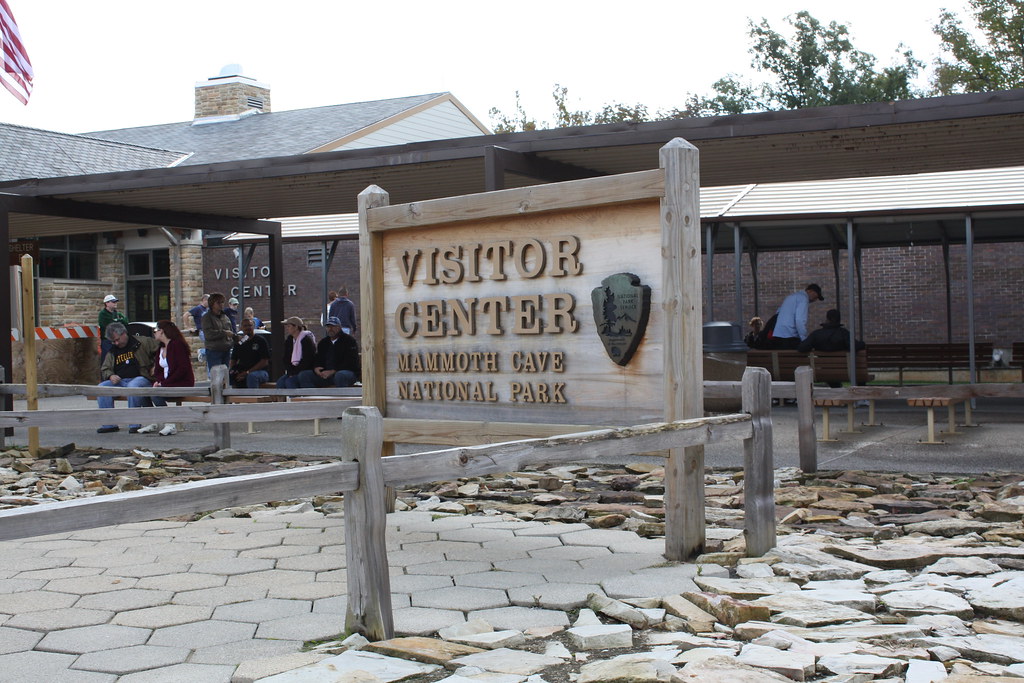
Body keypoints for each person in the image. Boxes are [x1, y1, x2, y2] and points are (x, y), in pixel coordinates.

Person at [96, 322, 161, 434]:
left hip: (142, 378)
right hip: (120, 381)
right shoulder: (112, 350)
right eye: (113, 341)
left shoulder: (142, 342)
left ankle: (134, 424)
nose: (116, 343)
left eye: (117, 340)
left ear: (124, 333)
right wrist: (110, 375)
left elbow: (162, 349)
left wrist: (156, 366)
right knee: (102, 387)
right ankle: (109, 424)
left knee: (133, 386)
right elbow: (105, 368)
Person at [137, 320, 195, 436]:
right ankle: (152, 421)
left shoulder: (177, 345)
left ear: (161, 331)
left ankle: (170, 424)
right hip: (166, 382)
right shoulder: (161, 348)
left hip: (180, 382)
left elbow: (182, 369)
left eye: (155, 331)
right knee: (143, 391)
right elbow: (158, 370)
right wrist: (159, 381)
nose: (154, 333)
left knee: (155, 393)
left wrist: (165, 383)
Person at [299, 317, 360, 388]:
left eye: (333, 326)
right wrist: (316, 368)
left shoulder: (349, 341)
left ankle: (341, 398)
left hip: (345, 373)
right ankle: (311, 398)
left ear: (339, 327)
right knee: (304, 375)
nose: (330, 329)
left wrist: (333, 371)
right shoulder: (323, 342)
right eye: (328, 326)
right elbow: (318, 358)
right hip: (325, 374)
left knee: (340, 375)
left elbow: (351, 362)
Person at [768, 283, 824, 349]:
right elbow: (800, 320)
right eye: (815, 296)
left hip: (778, 334)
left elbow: (778, 312)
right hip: (790, 335)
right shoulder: (803, 298)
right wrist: (804, 339)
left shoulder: (791, 296)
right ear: (809, 291)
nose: (815, 299)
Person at [276, 316, 317, 389]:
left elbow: (308, 359)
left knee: (290, 382)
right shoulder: (289, 340)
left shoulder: (306, 340)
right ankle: (280, 400)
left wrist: (295, 372)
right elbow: (286, 358)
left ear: (296, 327)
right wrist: (290, 371)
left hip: (305, 370)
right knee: (280, 382)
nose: (287, 328)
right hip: (292, 371)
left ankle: (295, 399)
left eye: (289, 326)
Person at [230, 317, 271, 388]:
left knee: (252, 376)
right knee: (231, 375)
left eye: (250, 325)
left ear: (253, 327)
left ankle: (253, 397)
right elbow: (233, 360)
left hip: (260, 372)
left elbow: (265, 361)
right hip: (243, 371)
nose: (248, 328)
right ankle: (234, 398)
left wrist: (247, 372)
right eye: (245, 326)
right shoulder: (241, 342)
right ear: (241, 328)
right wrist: (234, 371)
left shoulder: (260, 340)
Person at [201, 292, 236, 370]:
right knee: (217, 375)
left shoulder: (225, 317)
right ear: (212, 304)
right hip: (214, 350)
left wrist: (235, 338)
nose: (221, 304)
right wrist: (224, 333)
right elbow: (208, 334)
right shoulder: (207, 317)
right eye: (218, 302)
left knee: (225, 375)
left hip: (226, 349)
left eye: (222, 302)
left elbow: (230, 331)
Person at [97, 294, 129, 367]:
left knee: (118, 358)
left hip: (118, 340)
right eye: (113, 302)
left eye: (115, 302)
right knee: (106, 358)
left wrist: (117, 320)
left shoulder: (118, 313)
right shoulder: (103, 314)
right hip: (107, 341)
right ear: (107, 303)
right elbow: (107, 325)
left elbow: (126, 321)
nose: (115, 303)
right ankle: (105, 376)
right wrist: (118, 321)